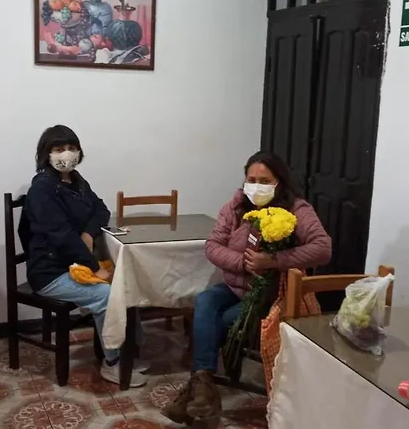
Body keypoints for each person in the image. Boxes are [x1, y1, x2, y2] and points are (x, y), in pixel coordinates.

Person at [161, 151, 332, 423]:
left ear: (279, 182)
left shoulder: (297, 210)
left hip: (269, 295)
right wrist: (243, 262)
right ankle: (202, 388)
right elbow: (212, 246)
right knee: (206, 300)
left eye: (265, 181)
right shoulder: (235, 206)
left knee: (219, 322)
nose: (256, 186)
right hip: (234, 286)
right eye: (251, 180)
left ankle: (197, 390)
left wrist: (274, 261)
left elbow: (323, 249)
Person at [21, 125, 149, 387]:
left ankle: (130, 352)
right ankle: (112, 364)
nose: (66, 154)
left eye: (71, 148)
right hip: (50, 272)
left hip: (75, 263)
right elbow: (61, 235)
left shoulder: (77, 181)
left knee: (125, 282)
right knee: (106, 295)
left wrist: (89, 234)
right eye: (59, 149)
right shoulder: (42, 190)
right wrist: (93, 267)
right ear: (46, 154)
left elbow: (101, 210)